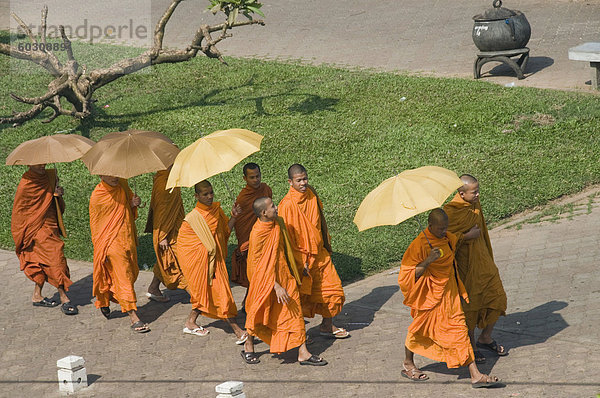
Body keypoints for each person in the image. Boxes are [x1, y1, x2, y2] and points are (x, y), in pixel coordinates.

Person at [398, 209, 501, 388]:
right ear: (430, 226)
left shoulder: (446, 238)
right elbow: (408, 275)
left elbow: (456, 239)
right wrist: (428, 260)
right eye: (439, 229)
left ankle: (475, 375)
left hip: (450, 294)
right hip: (430, 296)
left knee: (459, 329)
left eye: (445, 228)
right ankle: (408, 363)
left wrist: (469, 235)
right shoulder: (419, 244)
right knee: (419, 329)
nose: (443, 232)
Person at [242, 196, 327, 366]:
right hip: (265, 281)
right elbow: (257, 265)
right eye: (272, 206)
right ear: (263, 212)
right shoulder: (258, 233)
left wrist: (298, 266)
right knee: (258, 312)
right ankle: (248, 345)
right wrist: (275, 286)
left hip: (284, 276)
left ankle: (303, 352)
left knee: (294, 311)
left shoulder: (278, 223)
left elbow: (286, 248)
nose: (276, 207)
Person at [278, 164, 349, 339]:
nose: (303, 183)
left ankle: (327, 324)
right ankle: (299, 334)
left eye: (305, 179)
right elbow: (287, 240)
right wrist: (299, 263)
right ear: (290, 182)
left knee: (334, 292)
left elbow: (319, 223)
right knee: (301, 298)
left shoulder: (312, 195)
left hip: (320, 254)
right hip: (301, 260)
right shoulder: (286, 205)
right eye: (299, 180)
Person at [443, 174, 508, 363]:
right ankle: (470, 344)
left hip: (483, 262)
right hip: (465, 267)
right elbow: (445, 240)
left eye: (478, 191)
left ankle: (485, 337)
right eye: (474, 192)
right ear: (461, 194)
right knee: (470, 307)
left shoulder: (474, 205)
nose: (478, 195)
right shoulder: (451, 212)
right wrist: (465, 237)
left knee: (498, 297)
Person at [176, 180, 248, 342]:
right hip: (203, 263)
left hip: (216, 262)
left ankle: (190, 322)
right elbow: (185, 247)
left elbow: (224, 232)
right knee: (221, 294)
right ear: (196, 196)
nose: (209, 197)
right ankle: (238, 331)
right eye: (205, 194)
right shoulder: (192, 219)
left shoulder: (216, 210)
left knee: (208, 293)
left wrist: (234, 217)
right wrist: (206, 253)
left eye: (211, 193)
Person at [11, 164, 77, 315]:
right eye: (37, 164)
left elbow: (57, 207)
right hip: (34, 230)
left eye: (43, 162)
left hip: (49, 225)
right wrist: (50, 194)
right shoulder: (26, 183)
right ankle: (64, 297)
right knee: (55, 260)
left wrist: (57, 195)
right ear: (29, 164)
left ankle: (36, 295)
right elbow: (21, 210)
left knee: (43, 261)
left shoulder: (50, 176)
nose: (41, 166)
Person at [89, 175, 149, 333]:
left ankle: (104, 299)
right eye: (109, 174)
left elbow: (125, 210)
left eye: (116, 173)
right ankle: (133, 315)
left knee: (130, 273)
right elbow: (97, 224)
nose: (114, 177)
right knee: (123, 277)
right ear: (101, 175)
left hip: (126, 238)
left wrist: (133, 204)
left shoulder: (123, 185)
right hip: (110, 242)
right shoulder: (98, 195)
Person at [230, 163, 273, 305]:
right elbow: (241, 223)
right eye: (252, 177)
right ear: (245, 178)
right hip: (250, 240)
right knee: (256, 275)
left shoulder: (266, 189)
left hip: (266, 236)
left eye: (258, 176)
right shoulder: (243, 198)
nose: (256, 180)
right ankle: (250, 304)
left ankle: (248, 302)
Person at [144, 167, 187, 302]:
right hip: (166, 231)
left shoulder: (170, 178)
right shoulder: (164, 182)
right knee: (180, 261)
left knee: (166, 259)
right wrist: (162, 236)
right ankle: (199, 298)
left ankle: (153, 288)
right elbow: (161, 212)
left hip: (175, 225)